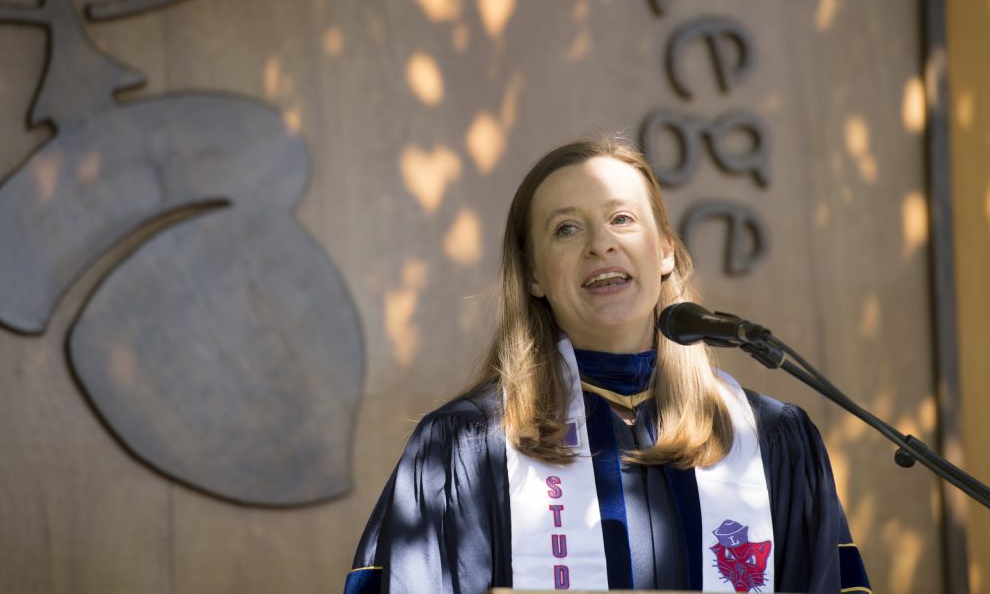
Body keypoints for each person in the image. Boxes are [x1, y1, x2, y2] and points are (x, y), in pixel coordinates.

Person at [344, 134, 871, 593]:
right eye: (566, 229)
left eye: (622, 218)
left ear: (665, 250)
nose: (602, 245)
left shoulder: (768, 442)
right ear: (532, 276)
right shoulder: (465, 450)